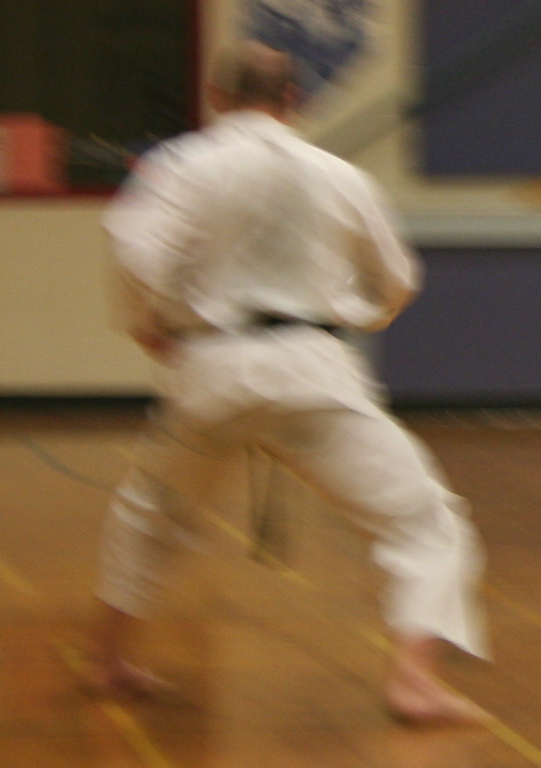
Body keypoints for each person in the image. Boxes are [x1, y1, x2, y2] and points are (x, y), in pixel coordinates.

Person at [85, 43, 488, 724]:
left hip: (210, 370)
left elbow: (134, 251)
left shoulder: (183, 164)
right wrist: (350, 316)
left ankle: (108, 659)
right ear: (294, 100)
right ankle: (415, 680)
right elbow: (398, 279)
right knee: (421, 521)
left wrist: (149, 326)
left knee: (151, 513)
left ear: (216, 95)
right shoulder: (340, 175)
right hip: (313, 371)